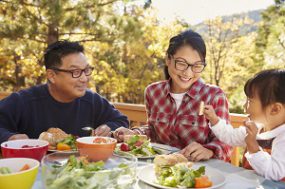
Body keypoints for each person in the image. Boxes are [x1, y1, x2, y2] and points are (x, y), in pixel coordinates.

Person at [114, 29, 231, 162]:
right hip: (160, 169)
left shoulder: (214, 96)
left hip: (200, 173)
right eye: (181, 63)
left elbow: (226, 142)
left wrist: (209, 150)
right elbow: (153, 131)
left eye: (197, 66)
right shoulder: (153, 92)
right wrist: (135, 134)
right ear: (168, 60)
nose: (188, 73)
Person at [0, 41, 129, 144]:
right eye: (75, 72)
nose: (84, 78)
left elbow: (120, 120)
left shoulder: (92, 100)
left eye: (86, 70)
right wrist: (9, 137)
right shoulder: (24, 101)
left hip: (82, 171)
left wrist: (108, 127)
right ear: (51, 75)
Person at [204, 69, 285, 181]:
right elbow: (231, 136)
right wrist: (214, 119)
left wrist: (252, 145)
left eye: (250, 101)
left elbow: (274, 173)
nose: (244, 106)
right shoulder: (256, 127)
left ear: (275, 109)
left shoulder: (283, 138)